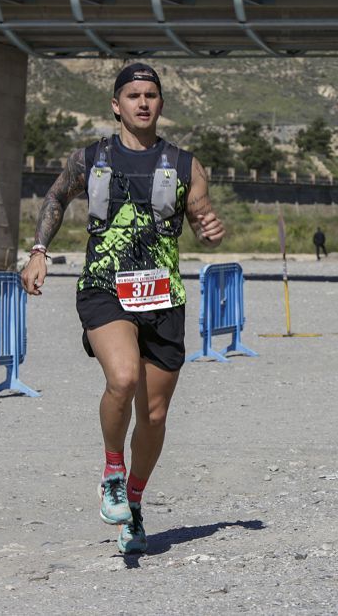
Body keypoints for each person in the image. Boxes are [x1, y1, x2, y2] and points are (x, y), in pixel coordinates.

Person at [20, 63, 225, 554]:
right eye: (132, 95)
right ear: (116, 104)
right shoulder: (89, 158)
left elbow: (200, 222)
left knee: (153, 415)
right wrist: (39, 252)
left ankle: (133, 503)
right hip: (103, 287)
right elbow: (55, 198)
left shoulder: (186, 165)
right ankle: (113, 471)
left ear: (160, 104)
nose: (142, 102)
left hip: (162, 297)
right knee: (124, 377)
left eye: (151, 95)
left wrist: (212, 229)